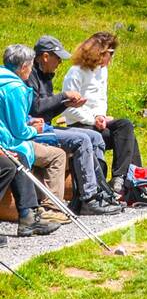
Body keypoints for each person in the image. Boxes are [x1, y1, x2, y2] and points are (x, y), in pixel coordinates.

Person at [26, 36, 118, 214]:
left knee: (96, 137)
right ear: (45, 56)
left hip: (45, 126)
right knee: (82, 139)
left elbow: (46, 112)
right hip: (32, 130)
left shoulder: (46, 76)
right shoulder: (30, 76)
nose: (60, 62)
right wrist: (63, 96)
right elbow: (35, 108)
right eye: (57, 57)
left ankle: (100, 190)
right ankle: (88, 198)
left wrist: (65, 104)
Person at [60, 32, 142, 194]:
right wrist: (93, 119)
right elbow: (69, 108)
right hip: (79, 125)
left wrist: (100, 116)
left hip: (96, 122)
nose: (111, 58)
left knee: (125, 126)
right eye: (110, 54)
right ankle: (130, 182)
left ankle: (124, 179)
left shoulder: (102, 71)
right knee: (126, 138)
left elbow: (101, 99)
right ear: (99, 52)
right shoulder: (76, 72)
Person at [0, 45, 66, 236]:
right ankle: (35, 214)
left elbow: (8, 117)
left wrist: (27, 120)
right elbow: (19, 132)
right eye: (29, 66)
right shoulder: (15, 88)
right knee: (19, 158)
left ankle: (29, 216)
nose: (30, 70)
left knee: (17, 159)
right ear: (23, 67)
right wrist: (34, 128)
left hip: (4, 136)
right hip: (7, 140)